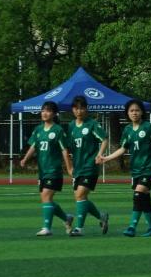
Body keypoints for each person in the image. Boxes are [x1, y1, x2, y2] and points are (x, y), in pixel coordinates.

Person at [99, 99, 151, 237]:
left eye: (137, 110)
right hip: (136, 169)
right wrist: (107, 158)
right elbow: (123, 148)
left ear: (142, 112)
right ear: (127, 113)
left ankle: (132, 227)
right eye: (131, 111)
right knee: (144, 198)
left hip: (148, 168)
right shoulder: (127, 130)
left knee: (138, 194)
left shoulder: (148, 127)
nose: (134, 113)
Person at [20, 102, 75, 236]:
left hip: (54, 170)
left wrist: (69, 168)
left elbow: (64, 150)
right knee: (46, 199)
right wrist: (25, 159)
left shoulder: (58, 130)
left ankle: (47, 228)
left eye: (48, 111)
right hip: (42, 171)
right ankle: (66, 218)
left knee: (46, 195)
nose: (45, 113)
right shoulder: (38, 130)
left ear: (54, 114)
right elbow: (33, 146)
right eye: (43, 110)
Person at [66, 95, 111, 237]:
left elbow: (104, 139)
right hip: (78, 168)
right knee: (81, 198)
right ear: (72, 110)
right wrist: (69, 166)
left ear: (86, 109)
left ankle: (79, 228)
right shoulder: (71, 126)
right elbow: (68, 148)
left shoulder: (92, 124)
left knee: (80, 194)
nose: (79, 111)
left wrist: (99, 154)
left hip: (90, 166)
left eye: (82, 108)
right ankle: (101, 216)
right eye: (76, 108)